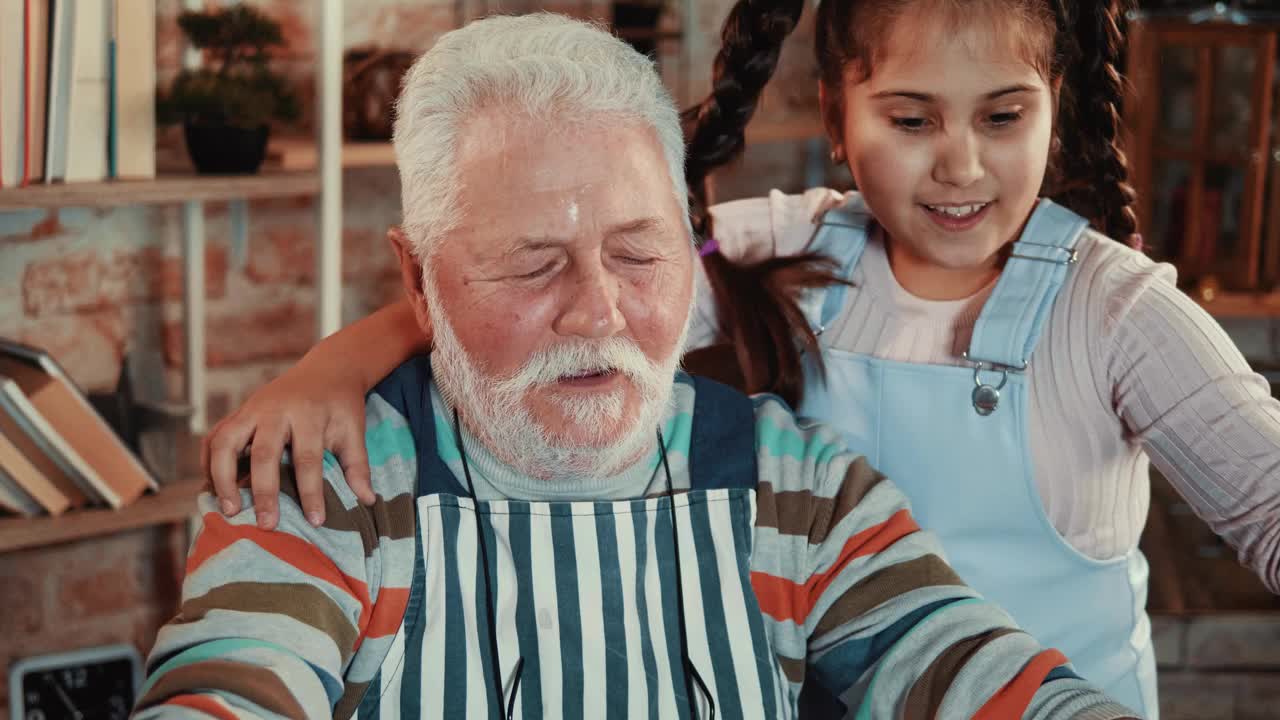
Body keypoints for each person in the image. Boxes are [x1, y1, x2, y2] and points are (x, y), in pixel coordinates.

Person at [202, 0, 1280, 717]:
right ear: (835, 112)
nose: (959, 164)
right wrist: (331, 368)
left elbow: (950, 648)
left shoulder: (1106, 312)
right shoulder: (786, 245)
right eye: (909, 117)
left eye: (1002, 115)